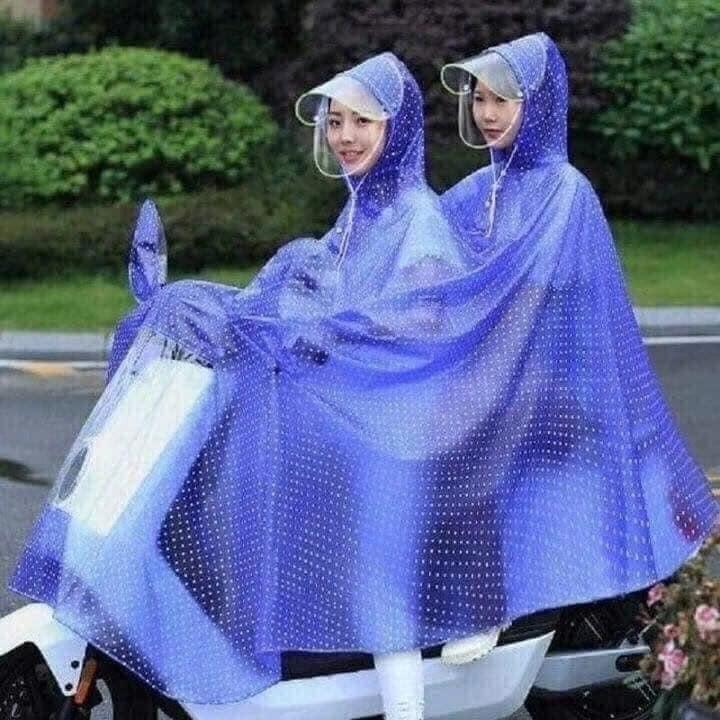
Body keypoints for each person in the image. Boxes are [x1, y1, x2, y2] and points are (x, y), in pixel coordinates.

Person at [10, 52, 469, 719]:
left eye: (361, 122)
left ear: (395, 129)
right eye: (335, 122)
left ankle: (407, 710)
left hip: (391, 426)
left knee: (375, 580)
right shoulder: (355, 217)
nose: (344, 135)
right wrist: (221, 311)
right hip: (337, 409)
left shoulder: (417, 217)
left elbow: (424, 318)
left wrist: (336, 332)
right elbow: (289, 293)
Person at [438, 30, 718, 651]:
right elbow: (424, 253)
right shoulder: (479, 189)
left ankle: (489, 601)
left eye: (501, 101)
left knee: (464, 442)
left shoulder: (564, 191)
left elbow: (527, 299)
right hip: (502, 375)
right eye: (479, 99)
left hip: (556, 387)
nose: (486, 113)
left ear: (536, 105)